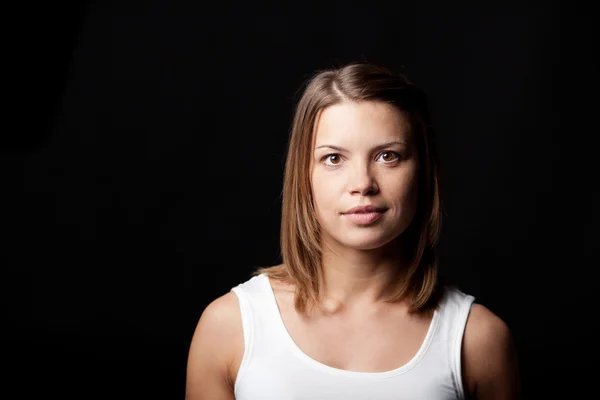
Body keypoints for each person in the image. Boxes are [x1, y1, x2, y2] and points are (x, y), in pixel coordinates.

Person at [185, 62, 520, 399]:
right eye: (333, 159)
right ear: (304, 176)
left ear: (423, 172)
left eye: (388, 156)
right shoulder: (230, 327)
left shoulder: (477, 340)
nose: (362, 183)